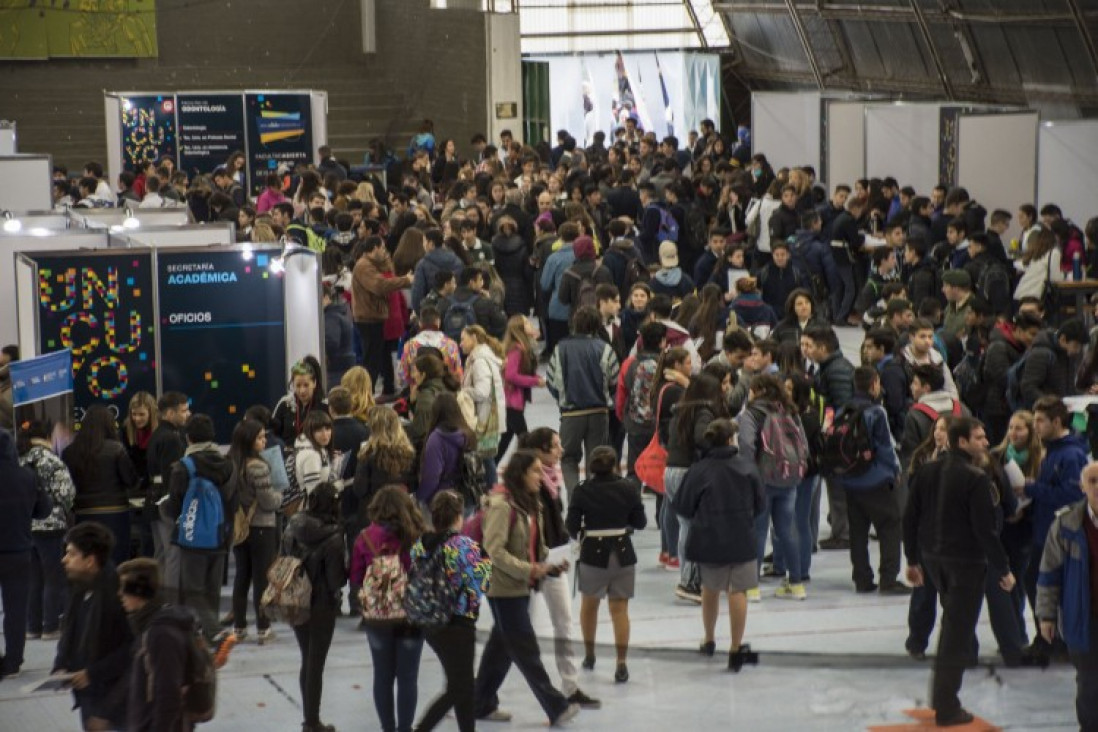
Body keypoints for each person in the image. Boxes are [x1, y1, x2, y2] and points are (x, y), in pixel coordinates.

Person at [904, 417, 1015, 727]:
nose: (984, 442)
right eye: (978, 438)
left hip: (933, 559)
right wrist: (1003, 568)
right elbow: (984, 531)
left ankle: (943, 698)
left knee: (953, 627)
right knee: (956, 635)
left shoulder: (927, 470)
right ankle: (946, 705)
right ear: (962, 442)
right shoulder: (976, 478)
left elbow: (909, 517)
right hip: (965, 564)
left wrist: (912, 559)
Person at [473, 450, 580, 726]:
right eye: (535, 471)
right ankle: (555, 706)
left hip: (522, 585)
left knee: (501, 647)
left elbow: (534, 546)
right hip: (503, 587)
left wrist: (551, 562)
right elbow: (494, 551)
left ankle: (480, 702)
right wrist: (529, 569)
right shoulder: (501, 505)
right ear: (520, 475)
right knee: (525, 649)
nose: (540, 476)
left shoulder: (532, 504)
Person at [672, 418, 764, 671]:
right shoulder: (747, 467)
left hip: (709, 538)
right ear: (730, 439)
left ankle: (709, 639)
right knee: (738, 591)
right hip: (741, 538)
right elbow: (760, 505)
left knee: (709, 589)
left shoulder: (699, 470)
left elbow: (682, 506)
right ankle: (735, 648)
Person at [519, 428, 600, 709]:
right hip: (531, 564)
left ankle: (571, 686)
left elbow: (555, 522)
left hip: (554, 560)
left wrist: (564, 547)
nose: (560, 451)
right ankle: (484, 691)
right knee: (516, 631)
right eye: (554, 447)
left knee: (564, 623)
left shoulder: (551, 480)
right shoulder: (527, 484)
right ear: (540, 451)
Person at [411, 490, 491, 732]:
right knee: (460, 687)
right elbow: (481, 584)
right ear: (459, 515)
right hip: (458, 622)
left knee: (460, 682)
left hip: (429, 621)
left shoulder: (419, 545)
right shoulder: (464, 546)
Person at [566, 445, 646, 683]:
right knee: (619, 610)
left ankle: (590, 655)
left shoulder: (582, 491)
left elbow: (571, 525)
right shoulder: (628, 488)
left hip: (593, 554)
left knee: (589, 607)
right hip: (622, 553)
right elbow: (640, 522)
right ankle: (621, 662)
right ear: (615, 466)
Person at [352, 486, 426, 732]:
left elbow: (355, 577)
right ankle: (405, 728)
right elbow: (424, 574)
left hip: (377, 617)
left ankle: (388, 728)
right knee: (408, 677)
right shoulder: (416, 536)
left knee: (382, 676)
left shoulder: (364, 538)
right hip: (410, 616)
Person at [1022, 396, 1090, 652]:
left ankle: (1053, 638)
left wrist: (1033, 489)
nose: (1035, 426)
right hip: (1043, 530)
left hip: (1059, 533)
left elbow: (1072, 496)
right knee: (1036, 581)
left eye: (1040, 420)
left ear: (1057, 421)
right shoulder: (1051, 450)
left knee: (1043, 583)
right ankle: (1050, 637)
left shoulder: (1071, 455)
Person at [1035, 461, 1098, 731]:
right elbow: (1049, 574)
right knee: (1088, 683)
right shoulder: (1065, 525)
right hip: (1083, 619)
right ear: (1082, 487)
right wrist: (1046, 616)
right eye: (1092, 481)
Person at [54, 522, 134, 731]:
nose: (64, 560)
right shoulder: (78, 585)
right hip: (90, 694)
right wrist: (61, 663)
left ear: (90, 561)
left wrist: (92, 673)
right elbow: (70, 629)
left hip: (115, 701)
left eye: (71, 554)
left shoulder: (119, 595)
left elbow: (132, 649)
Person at [737, 374, 810, 600]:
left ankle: (752, 586)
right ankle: (796, 583)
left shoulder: (752, 414)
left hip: (762, 480)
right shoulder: (790, 411)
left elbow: (747, 446)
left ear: (758, 391)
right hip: (789, 479)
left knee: (758, 531)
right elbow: (804, 446)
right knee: (786, 531)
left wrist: (748, 475)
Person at [163, 414, 235, 643]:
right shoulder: (228, 464)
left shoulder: (183, 467)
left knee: (193, 590)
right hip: (220, 534)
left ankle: (214, 631)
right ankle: (210, 633)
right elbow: (232, 499)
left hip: (192, 536)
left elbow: (175, 504)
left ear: (189, 438)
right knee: (213, 590)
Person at [837, 367, 907, 595]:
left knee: (858, 532)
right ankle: (888, 578)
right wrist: (895, 470)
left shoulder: (843, 410)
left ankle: (862, 578)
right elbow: (885, 447)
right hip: (875, 480)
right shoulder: (876, 412)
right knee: (890, 526)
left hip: (850, 479)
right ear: (874, 384)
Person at [283, 483, 347, 732]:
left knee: (306, 658)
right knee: (316, 663)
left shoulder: (293, 525)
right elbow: (335, 581)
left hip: (295, 599)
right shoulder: (334, 537)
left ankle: (309, 719)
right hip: (321, 604)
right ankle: (312, 722)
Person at [667, 373, 730, 603]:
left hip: (672, 470)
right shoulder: (703, 411)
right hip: (687, 472)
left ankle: (688, 578)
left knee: (685, 526)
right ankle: (690, 582)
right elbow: (702, 438)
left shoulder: (681, 409)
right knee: (693, 528)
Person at [546, 306, 621, 494]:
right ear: (597, 325)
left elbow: (551, 381)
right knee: (596, 461)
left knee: (568, 458)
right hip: (599, 413)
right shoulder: (605, 348)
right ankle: (593, 502)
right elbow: (614, 381)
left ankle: (575, 498)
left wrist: (561, 400)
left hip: (571, 413)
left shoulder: (560, 348)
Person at [118, 558, 194, 732]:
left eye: (124, 587)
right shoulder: (147, 625)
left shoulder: (161, 633)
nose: (119, 594)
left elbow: (169, 695)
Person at [0, 426, 52, 678]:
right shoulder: (28, 476)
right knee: (16, 608)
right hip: (18, 551)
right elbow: (43, 510)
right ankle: (13, 661)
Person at [17, 420, 74, 643]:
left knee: (33, 578)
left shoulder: (19, 460)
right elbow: (66, 494)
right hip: (50, 525)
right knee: (53, 576)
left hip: (24, 527)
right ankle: (50, 626)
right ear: (47, 436)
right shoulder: (52, 460)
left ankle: (32, 626)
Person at [62, 404, 139, 567]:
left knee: (88, 556)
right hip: (115, 511)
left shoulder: (69, 452)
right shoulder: (116, 449)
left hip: (83, 512)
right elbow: (130, 480)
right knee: (115, 557)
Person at [228, 418, 280, 644]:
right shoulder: (258, 466)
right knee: (261, 579)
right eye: (260, 437)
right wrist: (280, 496)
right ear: (249, 440)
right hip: (261, 527)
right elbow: (268, 501)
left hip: (240, 528)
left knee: (241, 577)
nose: (264, 441)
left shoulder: (231, 463)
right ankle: (263, 627)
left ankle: (239, 626)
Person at [353, 237, 415, 391]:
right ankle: (367, 394)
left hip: (374, 318)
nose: (385, 252)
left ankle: (374, 391)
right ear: (375, 248)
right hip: (368, 319)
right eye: (383, 248)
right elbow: (380, 285)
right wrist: (405, 280)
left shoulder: (370, 265)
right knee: (371, 362)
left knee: (377, 358)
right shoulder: (364, 266)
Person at [460, 325, 507, 487]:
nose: (461, 344)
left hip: (484, 419)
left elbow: (482, 391)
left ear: (474, 338)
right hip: (488, 416)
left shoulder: (479, 361)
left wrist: (463, 392)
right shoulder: (481, 357)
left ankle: (492, 493)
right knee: (487, 459)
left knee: (486, 459)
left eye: (463, 339)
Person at [418, 392, 476, 511]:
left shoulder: (436, 439)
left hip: (443, 502)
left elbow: (431, 476)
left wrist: (420, 497)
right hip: (468, 495)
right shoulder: (468, 433)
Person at [498, 315, 545, 461]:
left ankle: (488, 473)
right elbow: (511, 375)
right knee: (525, 440)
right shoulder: (517, 350)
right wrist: (534, 381)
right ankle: (527, 469)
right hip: (512, 402)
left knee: (505, 441)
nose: (530, 325)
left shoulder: (522, 348)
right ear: (520, 329)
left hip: (513, 401)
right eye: (526, 323)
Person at [121, 391, 157, 557]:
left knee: (149, 536)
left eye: (141, 414)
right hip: (133, 489)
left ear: (151, 413)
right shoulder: (125, 430)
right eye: (134, 414)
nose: (137, 419)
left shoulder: (159, 433)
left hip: (154, 490)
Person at [398, 307, 463, 390]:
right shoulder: (450, 345)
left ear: (420, 323)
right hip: (445, 392)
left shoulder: (410, 345)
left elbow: (402, 377)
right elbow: (458, 375)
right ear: (438, 322)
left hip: (418, 393)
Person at [406, 352, 462, 448]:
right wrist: (413, 402)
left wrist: (398, 429)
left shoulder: (426, 396)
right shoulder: (446, 386)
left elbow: (418, 431)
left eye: (414, 371)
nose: (412, 375)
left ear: (423, 375)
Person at [272, 356, 329, 446]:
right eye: (298, 385)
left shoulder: (325, 406)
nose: (302, 390)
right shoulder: (285, 404)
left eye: (306, 385)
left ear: (314, 383)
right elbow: (273, 435)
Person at [294, 410, 335, 497]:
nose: (325, 434)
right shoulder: (311, 456)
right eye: (319, 430)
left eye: (327, 429)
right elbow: (314, 492)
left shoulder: (316, 450)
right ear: (310, 432)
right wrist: (336, 487)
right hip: (312, 507)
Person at [323, 282, 356, 389]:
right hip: (344, 366)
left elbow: (331, 342)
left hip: (336, 370)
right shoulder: (338, 314)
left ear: (326, 298)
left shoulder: (330, 317)